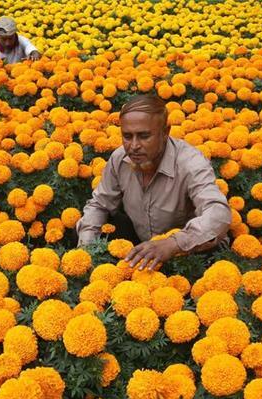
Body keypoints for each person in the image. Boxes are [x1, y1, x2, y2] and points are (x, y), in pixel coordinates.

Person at [76, 94, 232, 270]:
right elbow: (99, 204)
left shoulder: (191, 163)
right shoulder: (119, 159)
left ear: (165, 132)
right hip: (145, 251)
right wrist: (87, 250)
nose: (134, 145)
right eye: (127, 136)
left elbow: (219, 214)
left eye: (144, 136)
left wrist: (173, 244)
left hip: (193, 255)